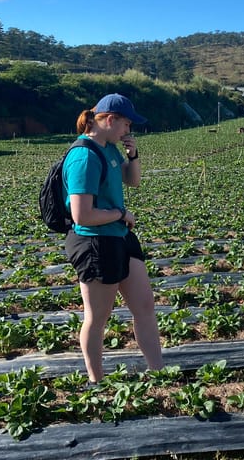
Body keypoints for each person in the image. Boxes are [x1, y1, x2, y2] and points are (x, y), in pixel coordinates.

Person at [63, 93, 164, 382]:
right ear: (109, 119)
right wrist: (120, 214)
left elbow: (132, 181)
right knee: (97, 318)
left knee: (145, 306)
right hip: (96, 242)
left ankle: (158, 373)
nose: (127, 131)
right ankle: (96, 382)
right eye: (126, 125)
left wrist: (133, 156)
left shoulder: (108, 148)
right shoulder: (84, 156)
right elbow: (83, 215)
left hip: (120, 237)